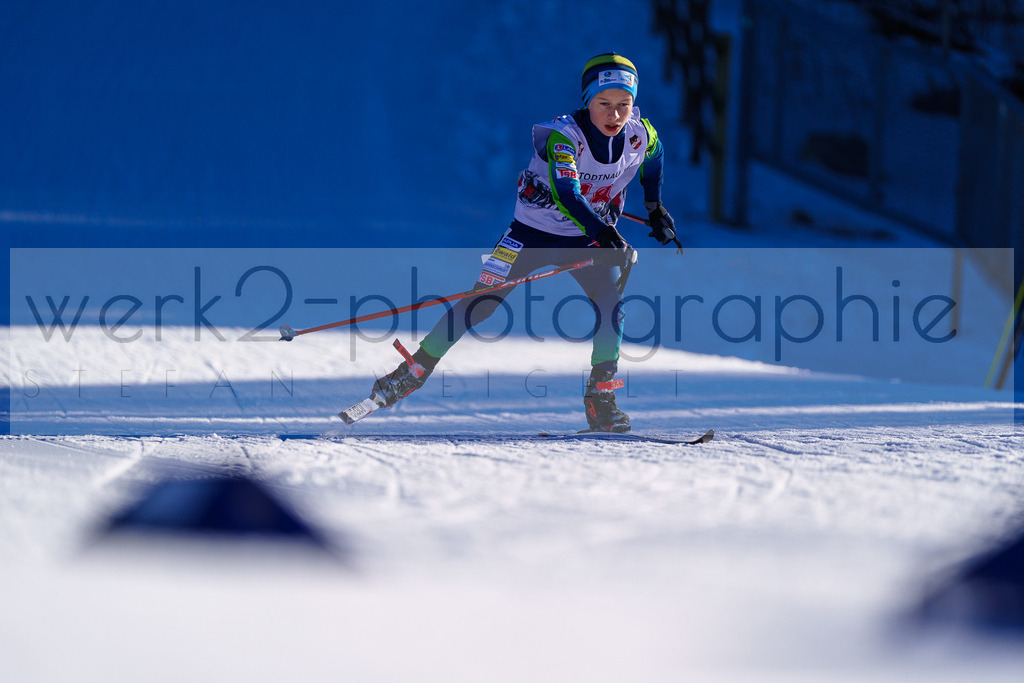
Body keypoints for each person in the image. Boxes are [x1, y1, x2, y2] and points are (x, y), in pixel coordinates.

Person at [369, 53, 677, 432]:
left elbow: (654, 158)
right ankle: (410, 372)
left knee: (612, 307)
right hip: (530, 235)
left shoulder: (639, 132)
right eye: (604, 104)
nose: (614, 115)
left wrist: (654, 206)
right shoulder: (563, 136)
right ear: (587, 101)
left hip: (586, 238)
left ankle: (601, 400)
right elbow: (567, 192)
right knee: (479, 305)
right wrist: (606, 233)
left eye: (623, 105)